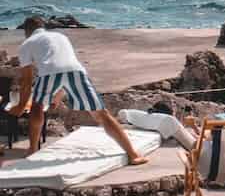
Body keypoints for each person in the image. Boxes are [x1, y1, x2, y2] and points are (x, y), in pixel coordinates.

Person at [11, 17, 147, 163]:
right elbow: (64, 66)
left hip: (48, 73)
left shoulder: (27, 44)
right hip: (76, 72)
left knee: (36, 108)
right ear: (43, 27)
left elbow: (27, 80)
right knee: (101, 114)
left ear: (27, 31)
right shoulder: (60, 36)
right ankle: (133, 154)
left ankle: (32, 149)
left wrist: (20, 106)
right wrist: (57, 97)